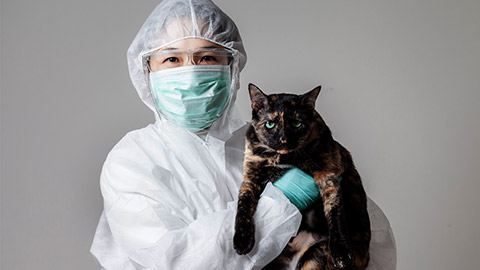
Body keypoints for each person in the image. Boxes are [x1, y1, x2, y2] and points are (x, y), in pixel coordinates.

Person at [90, 0, 396, 269]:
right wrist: (281, 203)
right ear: (147, 70)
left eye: (207, 57)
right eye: (172, 59)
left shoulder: (264, 145)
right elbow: (177, 262)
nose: (191, 71)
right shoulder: (132, 161)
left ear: (231, 67)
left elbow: (361, 245)